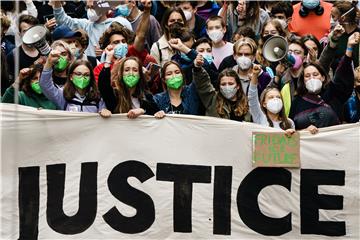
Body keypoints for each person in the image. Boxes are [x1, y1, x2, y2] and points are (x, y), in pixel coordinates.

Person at [289, 32, 357, 132]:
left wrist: (349, 47)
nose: (312, 78)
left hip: (334, 144)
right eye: (307, 76)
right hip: (308, 146)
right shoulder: (297, 101)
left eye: (315, 74)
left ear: (323, 77)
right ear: (303, 81)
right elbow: (291, 129)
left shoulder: (334, 92)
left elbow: (343, 74)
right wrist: (304, 131)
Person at [94, 1, 157, 82]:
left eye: (123, 41)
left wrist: (147, 10)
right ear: (108, 46)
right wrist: (114, 70)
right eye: (116, 42)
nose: (121, 44)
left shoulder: (131, 54)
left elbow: (141, 35)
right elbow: (103, 90)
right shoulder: (99, 69)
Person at [51, 0, 132, 57]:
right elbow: (61, 19)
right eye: (88, 6)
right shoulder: (85, 25)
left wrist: (107, 52)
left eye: (93, 4)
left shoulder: (120, 22)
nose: (90, 6)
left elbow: (131, 47)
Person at [40, 52, 110, 116]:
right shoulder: (63, 95)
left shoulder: (97, 97)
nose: (82, 77)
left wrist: (105, 111)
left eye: (86, 75)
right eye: (78, 74)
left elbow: (103, 112)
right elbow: (45, 85)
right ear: (71, 77)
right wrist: (49, 63)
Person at [193, 53, 251, 122]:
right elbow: (203, 84)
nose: (227, 86)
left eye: (230, 83)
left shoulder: (248, 104)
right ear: (219, 86)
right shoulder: (212, 99)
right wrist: (198, 68)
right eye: (223, 84)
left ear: (238, 86)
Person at [98, 53, 159, 117]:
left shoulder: (146, 96)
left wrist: (142, 111)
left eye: (135, 70)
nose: (131, 73)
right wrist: (108, 58)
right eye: (127, 70)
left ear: (140, 75)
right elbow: (103, 85)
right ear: (121, 74)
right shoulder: (114, 95)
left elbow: (156, 113)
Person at [248, 64, 295, 135]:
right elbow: (252, 96)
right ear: (264, 104)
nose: (275, 99)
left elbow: (293, 143)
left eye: (278, 97)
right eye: (271, 97)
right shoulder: (259, 117)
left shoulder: (289, 122)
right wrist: (255, 75)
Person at [6, 14, 40, 83]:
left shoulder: (44, 51)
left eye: (32, 30)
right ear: (19, 34)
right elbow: (11, 85)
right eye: (25, 31)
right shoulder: (12, 56)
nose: (29, 34)